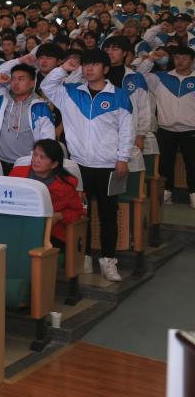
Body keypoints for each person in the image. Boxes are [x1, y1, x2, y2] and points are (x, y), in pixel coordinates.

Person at [41, 49, 132, 282]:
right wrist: (64, 68)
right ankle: (86, 257)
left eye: (95, 64)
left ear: (106, 69)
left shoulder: (119, 95)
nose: (89, 68)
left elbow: (127, 130)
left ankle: (109, 261)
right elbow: (46, 86)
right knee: (82, 214)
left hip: (109, 165)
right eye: (86, 64)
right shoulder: (71, 92)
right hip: (78, 166)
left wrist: (123, 158)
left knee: (108, 215)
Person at [0, 59, 56, 174]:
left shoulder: (40, 107)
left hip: (26, 164)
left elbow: (48, 141)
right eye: (13, 79)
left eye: (21, 79)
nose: (15, 83)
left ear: (32, 83)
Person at [137, 45, 195, 207]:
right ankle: (166, 193)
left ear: (192, 60)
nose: (180, 61)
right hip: (166, 129)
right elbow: (139, 76)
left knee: (192, 164)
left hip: (191, 130)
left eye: (184, 58)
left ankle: (193, 193)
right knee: (164, 164)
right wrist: (150, 59)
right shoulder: (160, 78)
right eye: (177, 57)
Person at [9, 139, 84, 249]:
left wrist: (59, 216)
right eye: (35, 155)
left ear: (54, 164)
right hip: (17, 226)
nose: (36, 160)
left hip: (50, 233)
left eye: (42, 157)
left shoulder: (65, 186)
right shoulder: (17, 173)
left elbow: (77, 211)